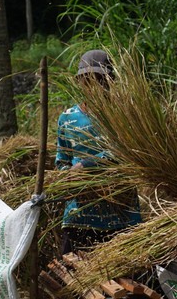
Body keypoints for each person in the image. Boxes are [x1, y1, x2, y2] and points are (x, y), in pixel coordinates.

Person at [55, 49, 141, 255]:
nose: (94, 84)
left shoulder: (125, 114)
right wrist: (67, 179)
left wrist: (85, 166)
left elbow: (125, 153)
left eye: (100, 78)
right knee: (72, 275)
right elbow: (62, 160)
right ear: (79, 82)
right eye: (87, 79)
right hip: (80, 214)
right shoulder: (67, 118)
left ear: (111, 80)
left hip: (120, 215)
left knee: (124, 282)